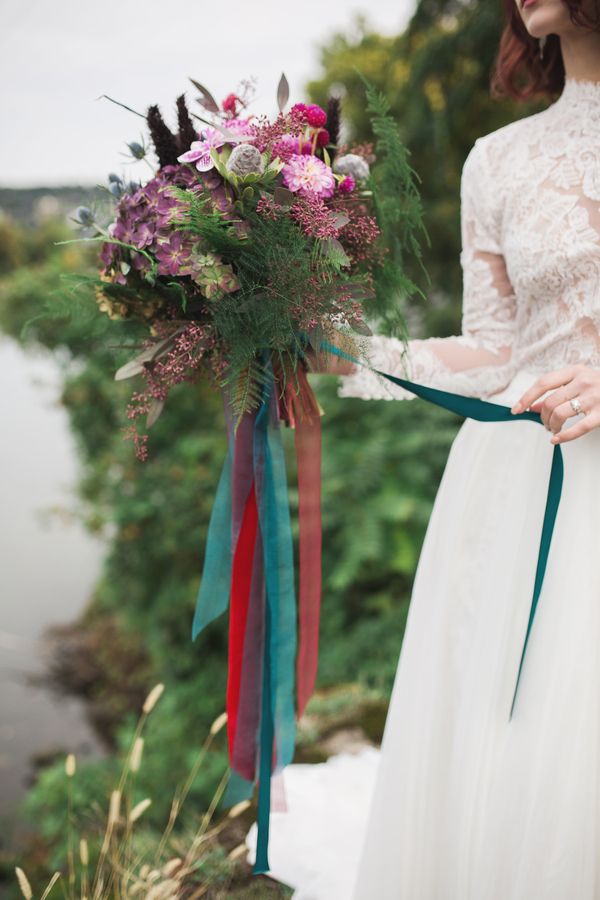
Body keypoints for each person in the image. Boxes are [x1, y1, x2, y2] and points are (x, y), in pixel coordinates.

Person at [246, 1, 600, 897]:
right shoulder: (502, 159)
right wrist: (352, 354)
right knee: (507, 767)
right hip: (522, 489)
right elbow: (499, 349)